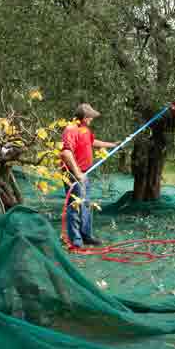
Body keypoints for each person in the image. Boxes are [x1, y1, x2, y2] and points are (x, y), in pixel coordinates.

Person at [61, 103, 118, 247]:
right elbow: (66, 153)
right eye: (91, 117)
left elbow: (92, 142)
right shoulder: (70, 130)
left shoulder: (85, 130)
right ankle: (76, 240)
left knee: (85, 204)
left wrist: (112, 144)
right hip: (73, 174)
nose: (92, 119)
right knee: (75, 206)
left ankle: (86, 236)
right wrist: (77, 173)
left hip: (85, 172)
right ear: (86, 117)